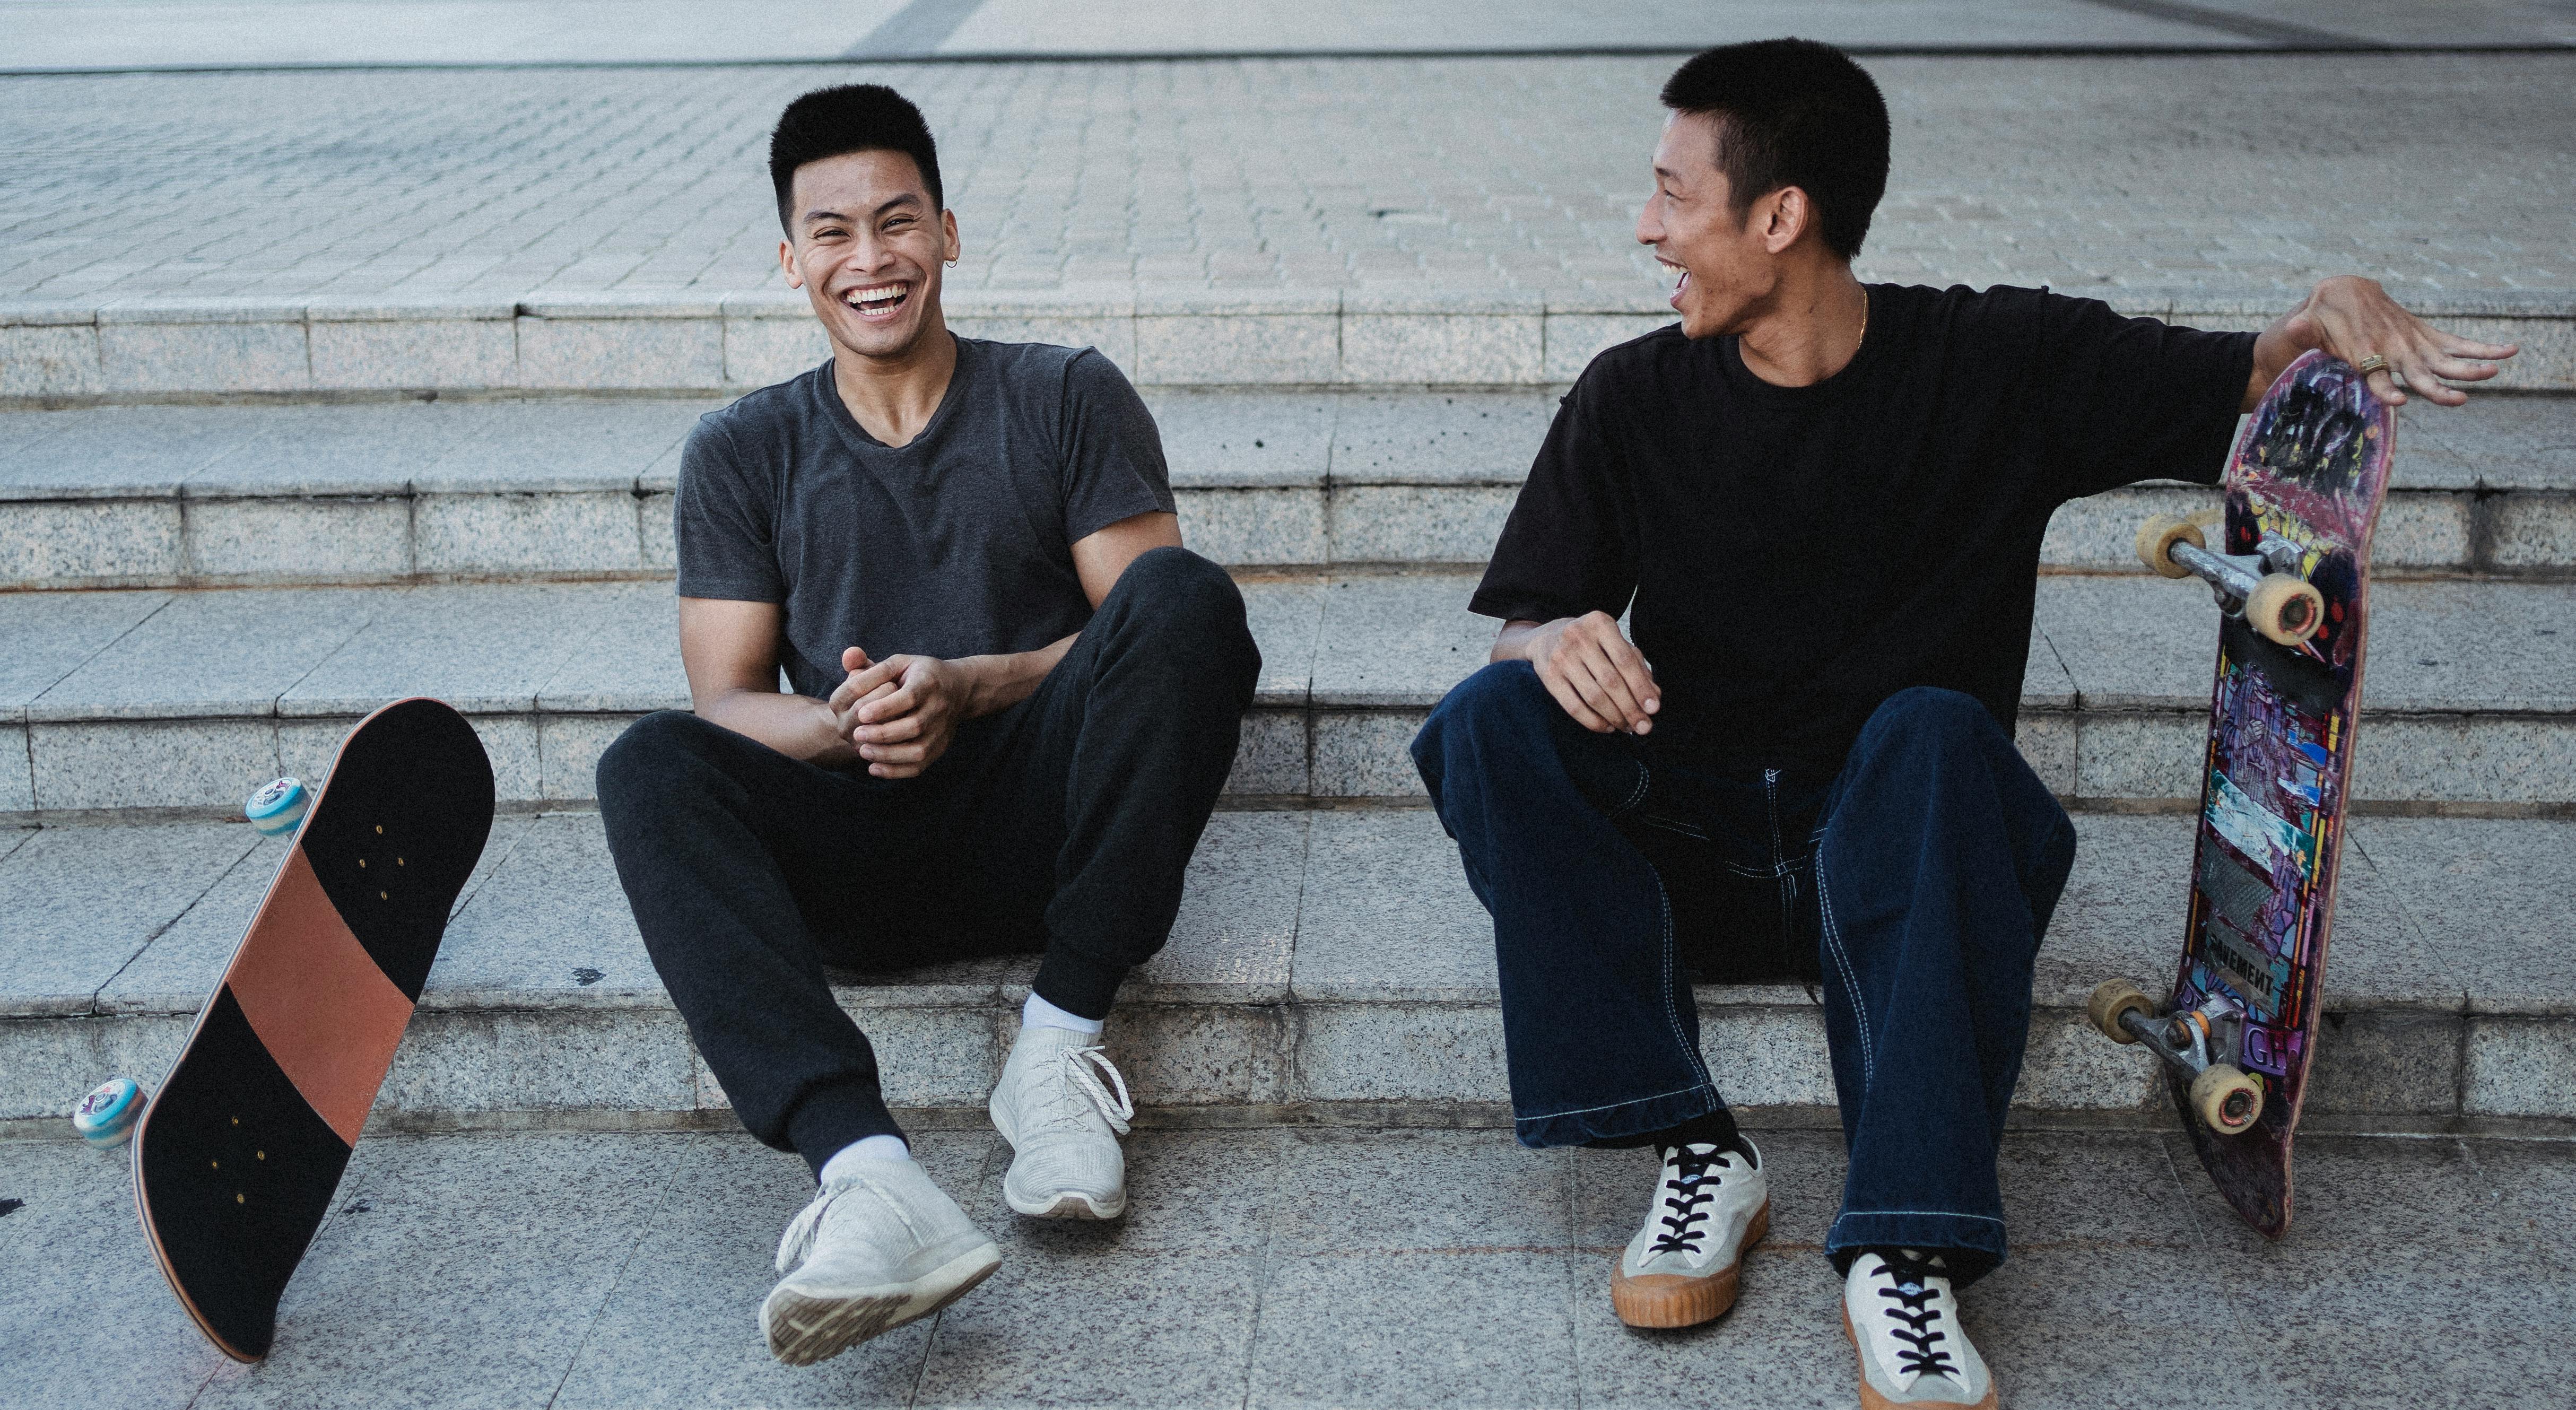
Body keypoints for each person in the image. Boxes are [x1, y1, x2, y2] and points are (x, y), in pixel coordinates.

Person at [1408, 38, 2512, 1409]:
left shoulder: (1994, 361)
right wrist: (1554, 636)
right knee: (1488, 718)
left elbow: (2247, 373)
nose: (1647, 228)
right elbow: (1527, 624)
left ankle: (1905, 1250)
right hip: (1688, 855)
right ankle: (1697, 1147)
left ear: (1781, 216)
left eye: (1670, 196)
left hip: (1900, 879)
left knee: (1934, 731)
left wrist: (2326, 309)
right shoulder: (1631, 399)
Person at [594, 83, 1260, 1368]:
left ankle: (1057, 1050)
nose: (869, 259)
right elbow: (727, 701)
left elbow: (1142, 638)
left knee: (1187, 595)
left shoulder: (1065, 395)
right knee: (649, 767)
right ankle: (867, 1175)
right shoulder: (743, 448)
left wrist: (968, 686)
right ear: (792, 261)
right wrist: (856, 726)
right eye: (832, 233)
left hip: (1047, 822)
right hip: (859, 848)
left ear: (948, 234)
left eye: (895, 223)